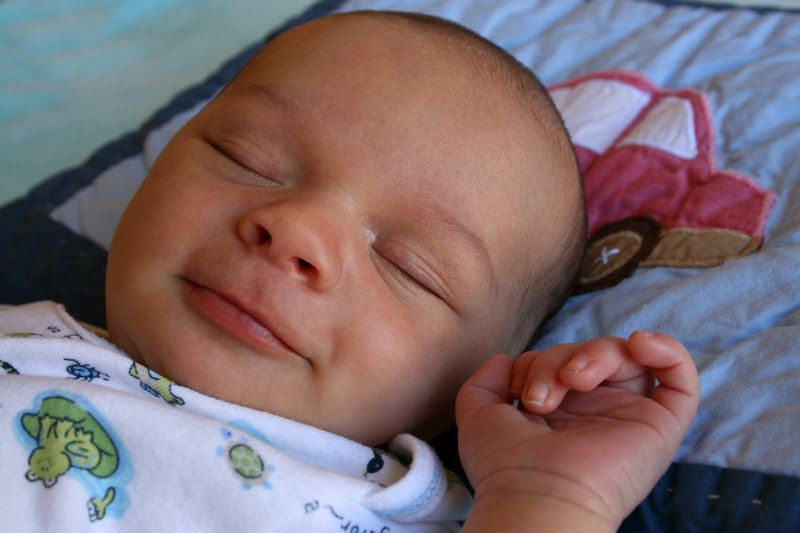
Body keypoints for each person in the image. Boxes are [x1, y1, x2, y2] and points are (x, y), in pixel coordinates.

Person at [0, 10, 699, 532]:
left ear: (478, 377)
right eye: (248, 157)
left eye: (408, 266)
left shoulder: (406, 510)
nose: (298, 229)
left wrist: (550, 499)